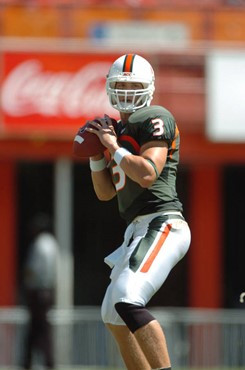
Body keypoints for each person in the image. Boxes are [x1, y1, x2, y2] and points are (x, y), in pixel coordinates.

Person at [85, 54, 191, 370]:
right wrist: (96, 155)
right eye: (121, 84)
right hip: (137, 228)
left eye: (134, 85)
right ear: (110, 87)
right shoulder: (115, 129)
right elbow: (105, 193)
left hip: (163, 222)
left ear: (149, 88)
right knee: (112, 312)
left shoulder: (156, 116)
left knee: (126, 296)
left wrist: (112, 146)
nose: (128, 90)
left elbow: (147, 173)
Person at [22, 213, 59, 370]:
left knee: (38, 330)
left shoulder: (39, 244)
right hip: (48, 291)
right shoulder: (52, 244)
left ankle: (40, 362)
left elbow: (32, 270)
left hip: (37, 293)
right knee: (40, 329)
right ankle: (41, 361)